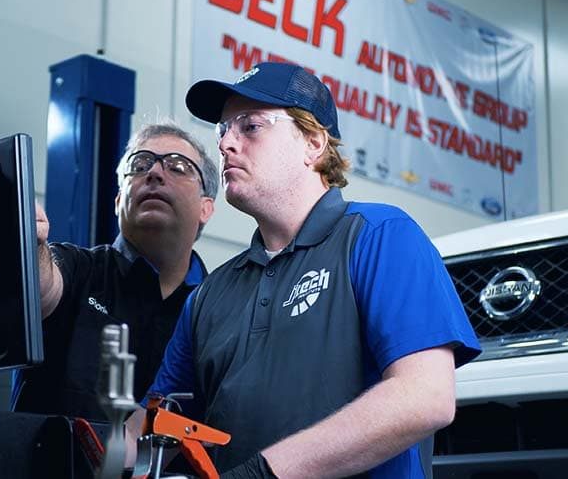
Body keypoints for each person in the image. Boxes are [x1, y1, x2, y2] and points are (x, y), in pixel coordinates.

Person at [129, 63, 481, 478]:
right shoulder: (209, 296)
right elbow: (155, 430)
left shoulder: (379, 237)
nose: (226, 144)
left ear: (313, 143)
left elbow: (424, 396)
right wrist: (70, 443)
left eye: (250, 127)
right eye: (223, 129)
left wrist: (264, 473)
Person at [12, 121, 219, 421]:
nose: (155, 173)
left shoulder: (221, 309)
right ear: (119, 201)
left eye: (177, 166)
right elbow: (42, 287)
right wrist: (30, 243)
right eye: (140, 164)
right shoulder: (79, 270)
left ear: (206, 208)